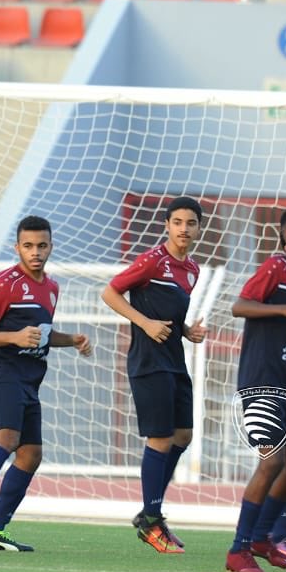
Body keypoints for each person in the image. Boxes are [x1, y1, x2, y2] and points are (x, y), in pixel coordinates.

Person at [0, 216, 92, 552]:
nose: (35, 252)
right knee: (7, 439)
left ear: (51, 247)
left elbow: (40, 335)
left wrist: (71, 340)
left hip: (29, 377)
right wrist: (13, 337)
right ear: (17, 248)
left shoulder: (51, 288)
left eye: (42, 246)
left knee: (30, 454)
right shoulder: (5, 283)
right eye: (28, 246)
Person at [100, 197, 207, 552]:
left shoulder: (192, 269)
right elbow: (109, 292)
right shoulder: (152, 260)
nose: (183, 229)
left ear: (199, 227)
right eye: (177, 222)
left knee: (183, 435)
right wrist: (144, 323)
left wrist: (187, 330)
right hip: (149, 362)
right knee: (160, 438)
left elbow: (171, 313)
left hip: (174, 359)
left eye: (190, 223)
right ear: (166, 225)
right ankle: (151, 520)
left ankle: (151, 512)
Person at [224, 205, 286, 572]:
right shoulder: (275, 267)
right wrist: (283, 311)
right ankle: (238, 549)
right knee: (271, 462)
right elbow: (239, 306)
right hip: (264, 379)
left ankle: (262, 538)